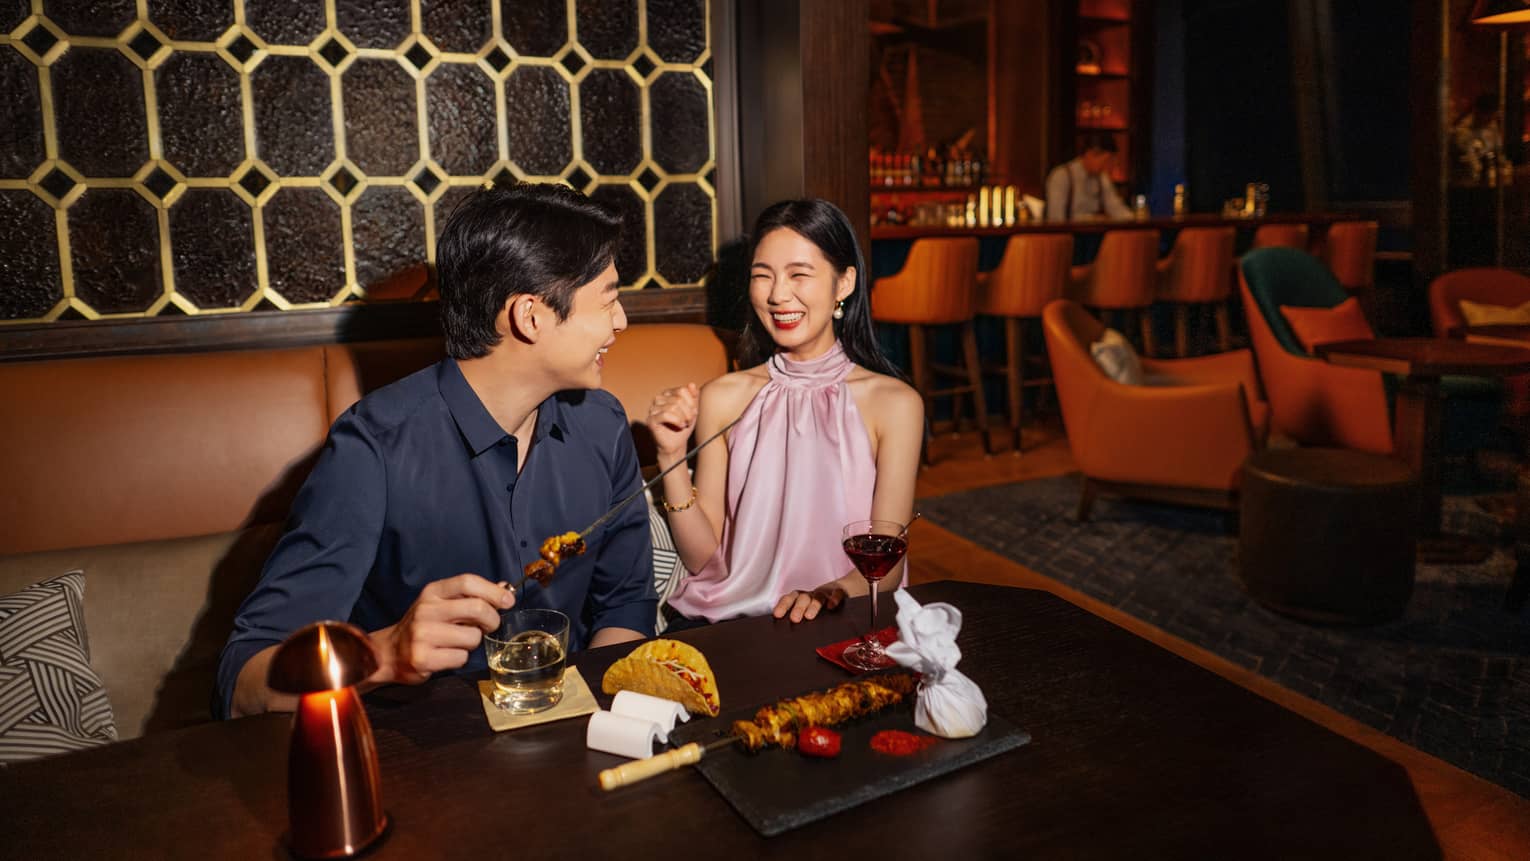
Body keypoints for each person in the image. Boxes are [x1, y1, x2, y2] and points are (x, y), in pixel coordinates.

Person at [216, 183, 655, 719]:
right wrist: (382, 655)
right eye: (608, 299)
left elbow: (625, 602)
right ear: (530, 316)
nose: (622, 322)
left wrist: (599, 723)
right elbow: (242, 680)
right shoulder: (374, 447)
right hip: (421, 762)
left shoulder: (602, 422)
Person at [646, 199, 923, 626]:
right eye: (763, 276)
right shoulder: (724, 397)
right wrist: (670, 458)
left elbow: (886, 567)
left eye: (799, 274)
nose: (777, 294)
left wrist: (828, 594)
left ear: (844, 283)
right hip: (732, 621)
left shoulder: (895, 404)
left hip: (843, 615)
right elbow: (702, 558)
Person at [1044, 133, 1132, 222]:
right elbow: (1055, 218)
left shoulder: (1102, 178)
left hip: (1097, 234)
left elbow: (1116, 208)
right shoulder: (1062, 176)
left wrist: (1134, 220)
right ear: (1091, 154)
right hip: (1067, 234)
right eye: (1107, 160)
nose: (1108, 166)